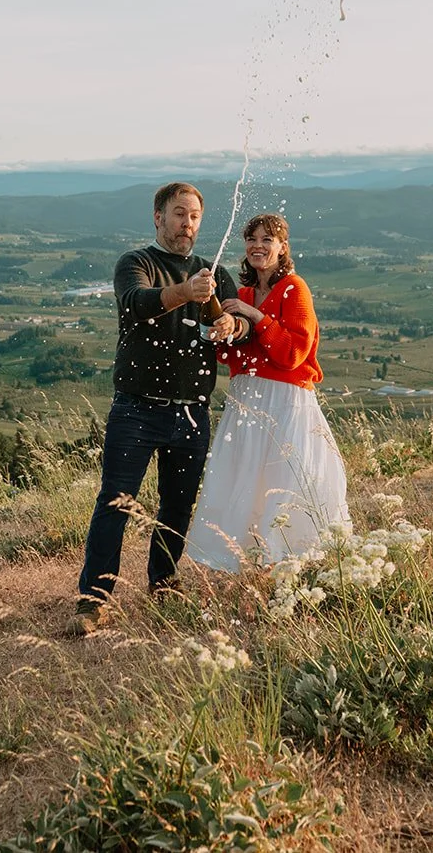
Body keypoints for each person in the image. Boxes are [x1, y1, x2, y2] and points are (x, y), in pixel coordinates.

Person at [75, 182, 247, 628]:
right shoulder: (137, 263)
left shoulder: (214, 272)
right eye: (178, 214)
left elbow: (236, 319)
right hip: (137, 408)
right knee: (116, 503)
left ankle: (164, 584)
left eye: (194, 216)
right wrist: (186, 291)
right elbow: (138, 304)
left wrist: (232, 326)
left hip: (192, 410)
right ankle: (93, 600)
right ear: (158, 217)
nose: (187, 223)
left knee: (177, 506)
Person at [186, 212, 350, 571]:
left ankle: (289, 561)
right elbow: (231, 355)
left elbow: (292, 354)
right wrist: (219, 329)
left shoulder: (294, 289)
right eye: (252, 239)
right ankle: (243, 561)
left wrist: (256, 317)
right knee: (243, 479)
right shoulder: (242, 293)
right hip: (246, 397)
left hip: (284, 400)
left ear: (282, 246)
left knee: (283, 481)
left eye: (267, 239)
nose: (257, 246)